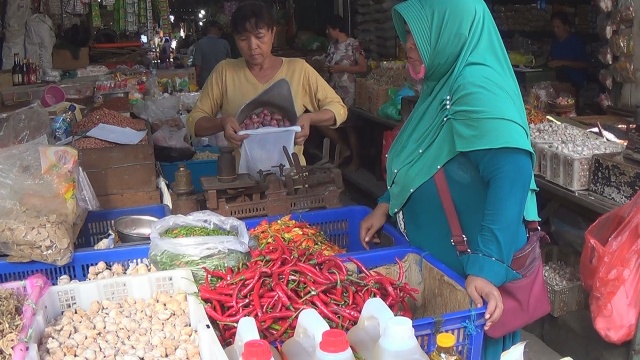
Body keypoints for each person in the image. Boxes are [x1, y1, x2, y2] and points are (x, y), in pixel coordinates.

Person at [358, 0, 540, 358]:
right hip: (441, 279)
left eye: (421, 33)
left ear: (451, 31)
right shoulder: (442, 88)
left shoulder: (476, 88)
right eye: (408, 32)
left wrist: (486, 269)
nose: (409, 43)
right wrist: (386, 202)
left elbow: (513, 171)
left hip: (470, 290)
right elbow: (422, 156)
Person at [188, 1, 347, 163]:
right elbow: (195, 122)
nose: (252, 46)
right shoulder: (225, 72)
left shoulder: (298, 70)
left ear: (273, 33)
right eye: (243, 38)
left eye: (259, 37)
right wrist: (223, 122)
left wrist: (310, 119)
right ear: (235, 39)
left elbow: (338, 109)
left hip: (291, 179)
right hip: (243, 181)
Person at [315, 15, 367, 171]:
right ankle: (343, 147)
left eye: (329, 28)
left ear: (337, 29)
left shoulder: (353, 45)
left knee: (350, 126)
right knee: (323, 121)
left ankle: (356, 160)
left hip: (348, 91)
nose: (327, 31)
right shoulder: (332, 46)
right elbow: (330, 64)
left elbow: (363, 68)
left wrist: (341, 69)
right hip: (333, 91)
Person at [548, 11, 589, 91]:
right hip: (559, 81)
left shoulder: (575, 41)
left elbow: (585, 64)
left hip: (575, 82)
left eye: (558, 27)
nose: (555, 30)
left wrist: (563, 62)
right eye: (553, 27)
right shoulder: (555, 42)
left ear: (566, 26)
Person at [193, 20, 232, 89]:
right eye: (219, 29)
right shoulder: (225, 43)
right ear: (215, 29)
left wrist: (196, 81)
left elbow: (198, 66)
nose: (221, 31)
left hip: (205, 83)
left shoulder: (200, 44)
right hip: (222, 82)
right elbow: (229, 63)